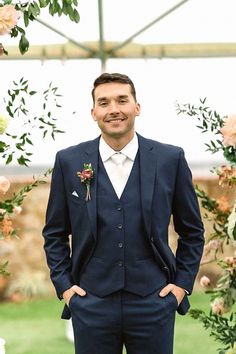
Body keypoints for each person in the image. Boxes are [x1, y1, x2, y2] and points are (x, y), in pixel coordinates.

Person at [42, 72, 205, 354]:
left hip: (154, 302)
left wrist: (180, 287)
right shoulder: (69, 161)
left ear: (136, 107)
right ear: (93, 112)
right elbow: (54, 233)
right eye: (103, 103)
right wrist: (66, 288)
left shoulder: (170, 159)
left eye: (122, 100)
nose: (113, 109)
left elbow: (192, 231)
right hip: (91, 303)